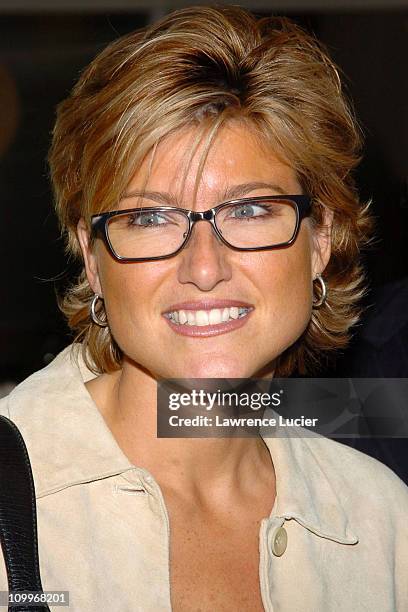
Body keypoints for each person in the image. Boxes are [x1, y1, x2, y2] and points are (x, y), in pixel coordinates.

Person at [1, 6, 407, 611]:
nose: (204, 268)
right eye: (150, 218)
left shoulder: (382, 523)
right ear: (92, 258)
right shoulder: (13, 503)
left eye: (248, 211)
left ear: (320, 239)